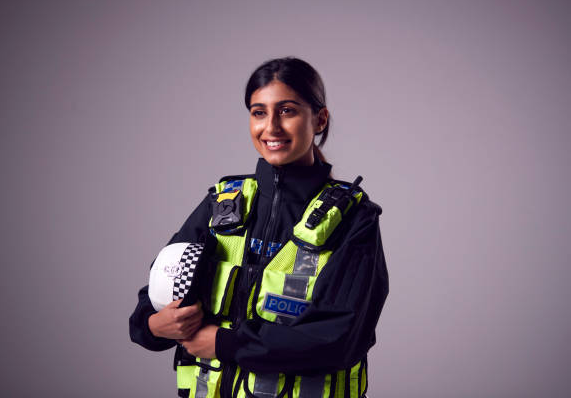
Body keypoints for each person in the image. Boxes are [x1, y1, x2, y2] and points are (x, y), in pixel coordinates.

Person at [129, 57, 389, 398]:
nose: (271, 128)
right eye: (259, 112)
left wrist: (227, 344)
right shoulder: (222, 205)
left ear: (320, 119)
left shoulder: (354, 218)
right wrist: (154, 326)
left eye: (287, 111)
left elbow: (340, 337)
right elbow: (152, 302)